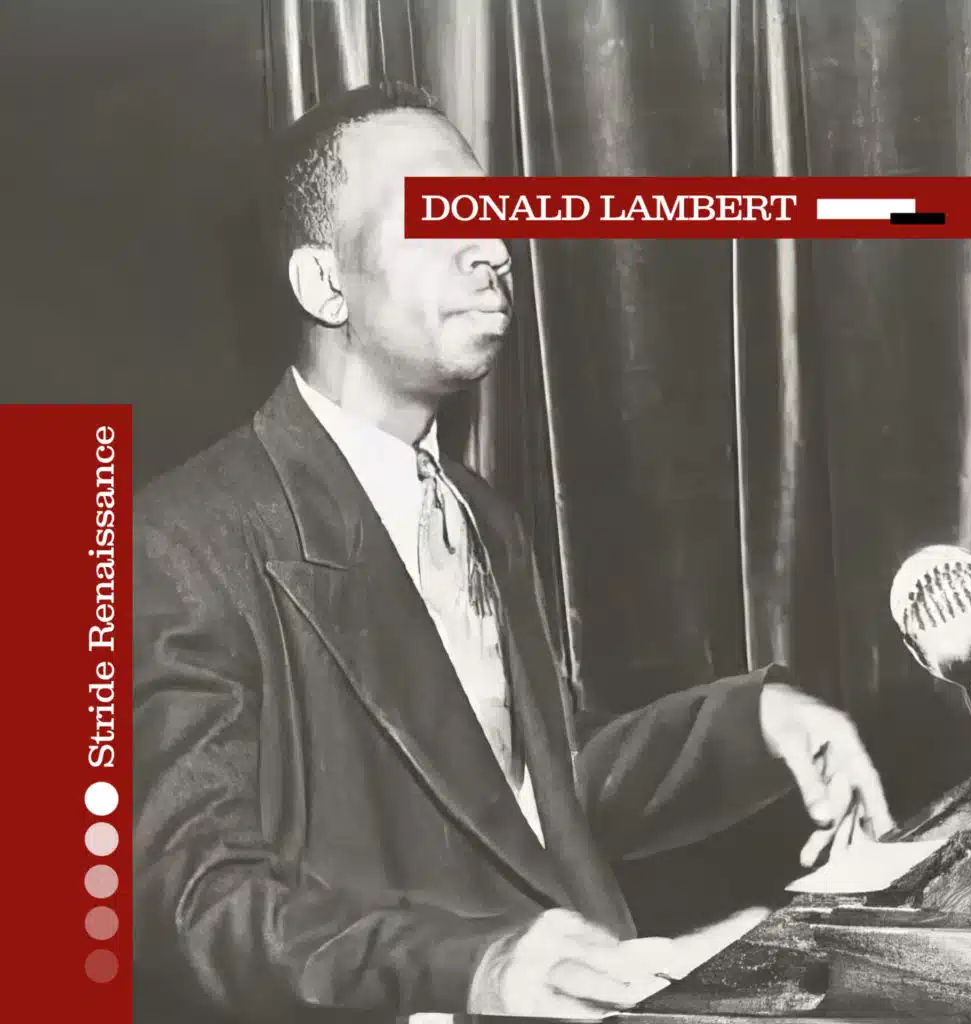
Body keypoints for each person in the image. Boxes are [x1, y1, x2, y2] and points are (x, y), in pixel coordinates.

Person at [133, 80, 893, 1022]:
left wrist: (756, 721)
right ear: (324, 284)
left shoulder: (483, 517)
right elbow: (191, 902)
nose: (495, 247)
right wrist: (470, 967)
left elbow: (532, 792)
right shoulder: (176, 541)